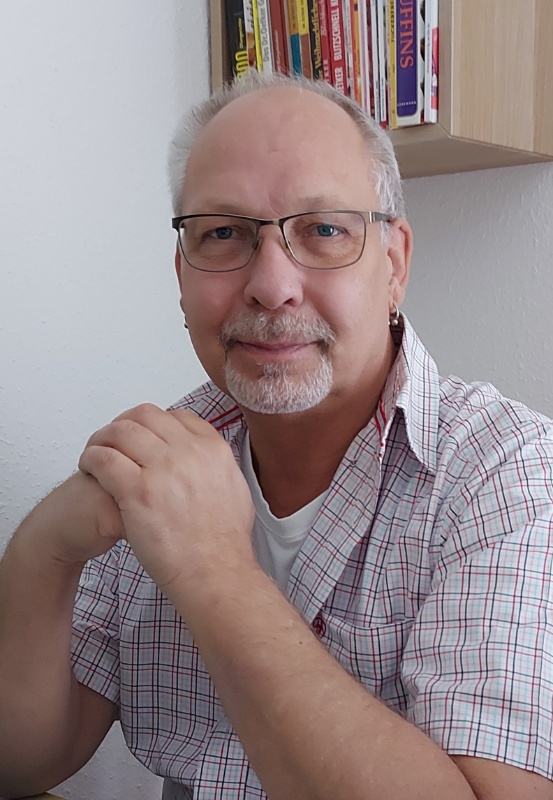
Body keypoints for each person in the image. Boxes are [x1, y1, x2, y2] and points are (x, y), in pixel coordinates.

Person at [1, 71, 553, 800]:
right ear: (181, 274)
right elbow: (26, 762)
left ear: (393, 264)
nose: (271, 283)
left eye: (323, 230)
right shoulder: (164, 456)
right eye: (223, 233)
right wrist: (42, 551)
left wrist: (212, 569)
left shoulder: (504, 472)